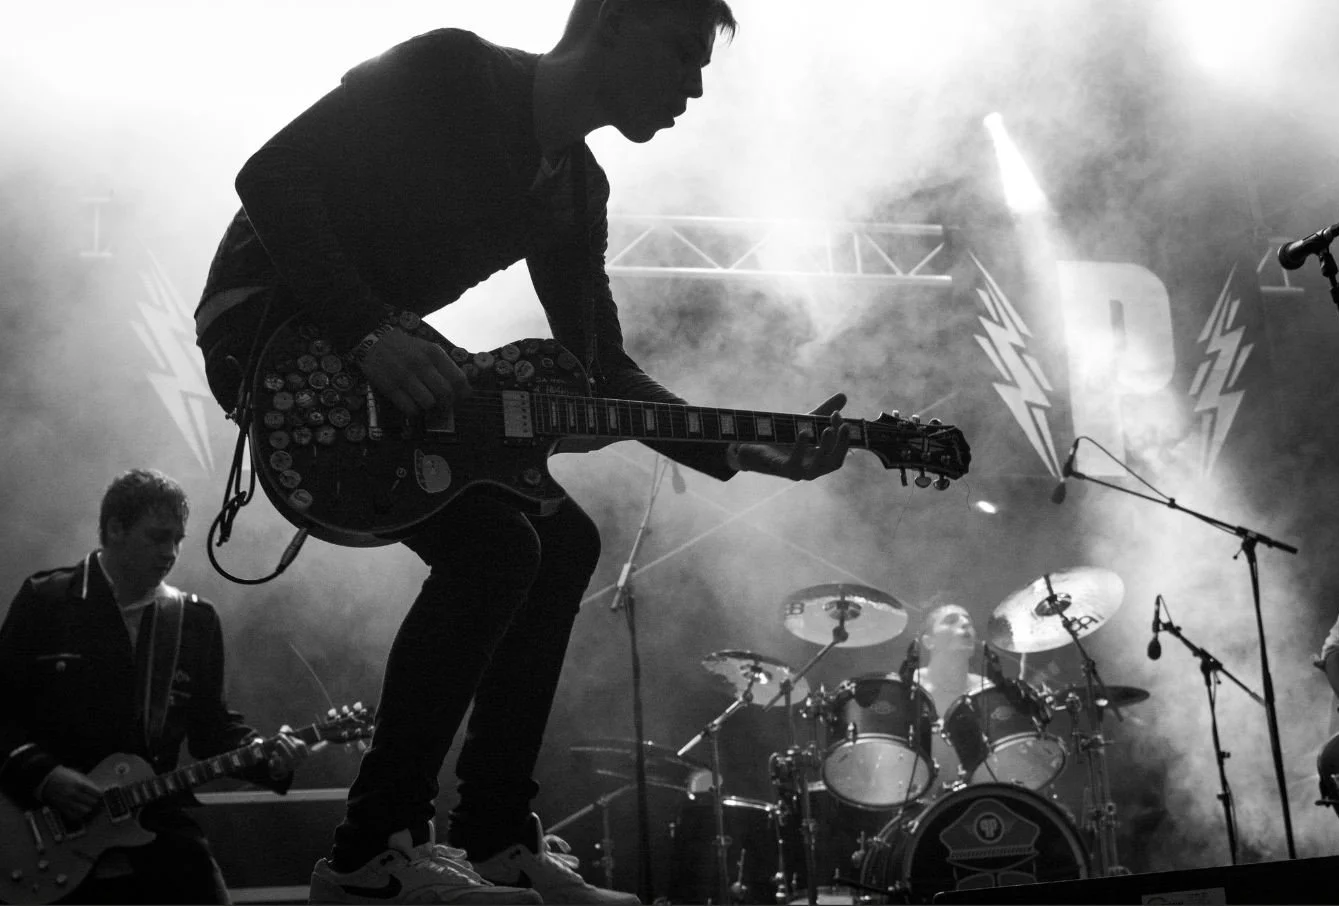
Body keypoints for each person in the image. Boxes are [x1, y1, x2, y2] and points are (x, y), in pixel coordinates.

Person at [193, 1, 853, 904]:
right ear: (612, 21)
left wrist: (745, 446)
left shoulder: (575, 190)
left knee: (563, 540)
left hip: (379, 345)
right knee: (495, 545)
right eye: (683, 54)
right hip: (269, 326)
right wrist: (366, 333)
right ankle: (367, 854)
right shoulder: (454, 70)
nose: (695, 88)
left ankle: (495, 835)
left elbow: (601, 366)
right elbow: (269, 176)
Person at [0, 468, 308, 904]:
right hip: (44, 826)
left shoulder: (195, 620)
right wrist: (43, 775)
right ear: (115, 529)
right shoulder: (47, 599)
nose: (171, 552)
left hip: (156, 822)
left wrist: (268, 757)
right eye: (158, 537)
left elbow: (212, 729)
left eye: (178, 540)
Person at [911, 602, 992, 800]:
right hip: (916, 800)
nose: (965, 624)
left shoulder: (985, 689)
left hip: (977, 798)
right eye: (951, 621)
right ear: (929, 642)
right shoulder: (910, 687)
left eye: (968, 620)